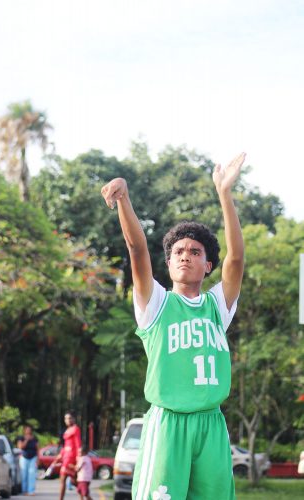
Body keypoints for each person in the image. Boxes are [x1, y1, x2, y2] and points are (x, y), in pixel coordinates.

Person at [101, 153, 245, 500]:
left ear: (207, 264)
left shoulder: (217, 307)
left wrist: (224, 193)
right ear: (168, 262)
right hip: (169, 424)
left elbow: (236, 258)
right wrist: (124, 199)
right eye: (179, 250)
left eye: (195, 251)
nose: (185, 254)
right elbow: (137, 250)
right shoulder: (157, 304)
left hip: (211, 424)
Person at [52, 411, 82, 500]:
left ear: (73, 419)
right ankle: (84, 494)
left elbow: (78, 444)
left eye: (69, 418)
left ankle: (84, 494)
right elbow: (65, 446)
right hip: (66, 457)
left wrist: (78, 459)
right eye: (66, 418)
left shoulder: (76, 429)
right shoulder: (67, 430)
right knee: (66, 479)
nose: (67, 420)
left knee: (71, 480)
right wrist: (59, 456)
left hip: (72, 458)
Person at [17, 425, 39, 496]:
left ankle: (31, 491)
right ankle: (24, 491)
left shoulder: (34, 438)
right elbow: (20, 447)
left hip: (33, 457)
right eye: (27, 430)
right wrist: (26, 440)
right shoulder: (21, 438)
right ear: (24, 430)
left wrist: (38, 459)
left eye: (30, 429)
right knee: (24, 475)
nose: (28, 431)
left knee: (32, 475)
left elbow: (37, 448)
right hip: (24, 457)